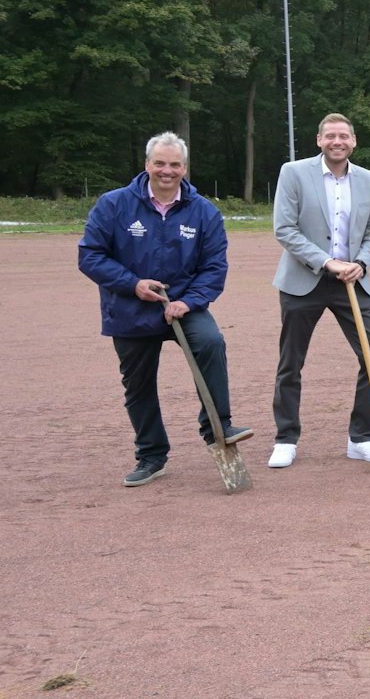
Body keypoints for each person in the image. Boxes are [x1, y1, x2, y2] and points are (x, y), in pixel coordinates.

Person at [78, 131, 249, 487]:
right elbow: (90, 255)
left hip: (184, 305)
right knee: (138, 385)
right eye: (160, 163)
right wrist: (133, 284)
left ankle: (217, 425)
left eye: (174, 164)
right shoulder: (113, 204)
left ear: (184, 168)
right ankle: (151, 455)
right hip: (130, 308)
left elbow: (214, 266)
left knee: (211, 342)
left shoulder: (204, 212)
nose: (166, 171)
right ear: (147, 165)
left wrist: (190, 301)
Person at [269, 113, 370, 468]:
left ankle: (361, 436)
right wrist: (326, 262)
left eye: (344, 136)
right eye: (330, 136)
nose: (337, 142)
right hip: (302, 281)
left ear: (353, 141)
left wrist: (362, 263)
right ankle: (286, 437)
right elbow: (285, 228)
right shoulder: (293, 172)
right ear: (319, 140)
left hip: (352, 281)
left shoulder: (369, 180)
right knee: (291, 361)